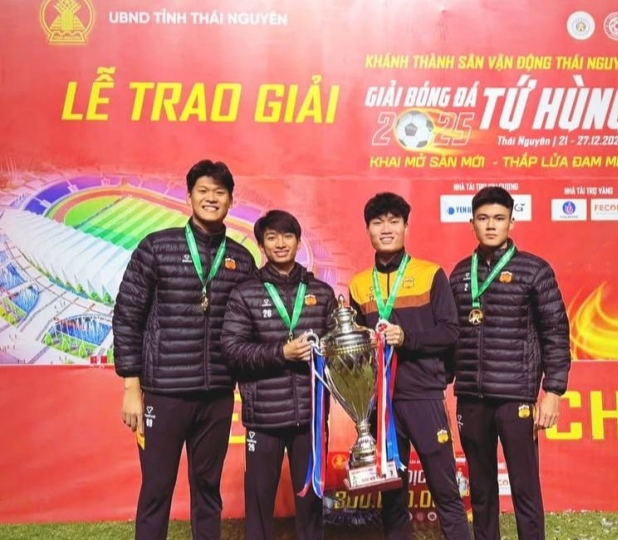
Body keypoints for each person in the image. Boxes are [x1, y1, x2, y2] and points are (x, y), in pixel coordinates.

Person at [112, 159, 255, 540]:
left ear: (230, 200)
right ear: (189, 196)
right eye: (203, 191)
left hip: (217, 395)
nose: (211, 198)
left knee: (208, 491)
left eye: (219, 192)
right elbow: (127, 316)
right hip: (164, 394)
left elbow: (252, 328)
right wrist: (131, 388)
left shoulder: (242, 260)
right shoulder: (156, 247)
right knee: (156, 490)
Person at [449, 186, 571, 540]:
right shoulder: (459, 273)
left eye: (499, 218)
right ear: (472, 223)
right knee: (481, 491)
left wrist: (552, 392)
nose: (491, 226)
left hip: (516, 396)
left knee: (524, 487)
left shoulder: (535, 270)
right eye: (483, 218)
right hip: (471, 398)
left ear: (511, 222)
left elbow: (556, 333)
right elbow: (450, 336)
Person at [348, 192, 472, 540]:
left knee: (445, 489)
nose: (386, 229)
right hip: (381, 404)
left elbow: (450, 331)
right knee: (391, 494)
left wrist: (408, 339)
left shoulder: (431, 274)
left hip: (423, 396)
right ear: (368, 230)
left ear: (406, 226)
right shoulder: (358, 284)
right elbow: (356, 348)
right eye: (378, 222)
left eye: (393, 221)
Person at [221, 210, 336, 540]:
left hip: (310, 417)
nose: (280, 243)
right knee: (259, 503)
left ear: (298, 242)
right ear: (261, 245)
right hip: (264, 418)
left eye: (287, 236)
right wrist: (281, 353)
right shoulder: (245, 293)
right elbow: (232, 350)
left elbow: (335, 349)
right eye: (272, 237)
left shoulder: (322, 293)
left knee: (311, 502)